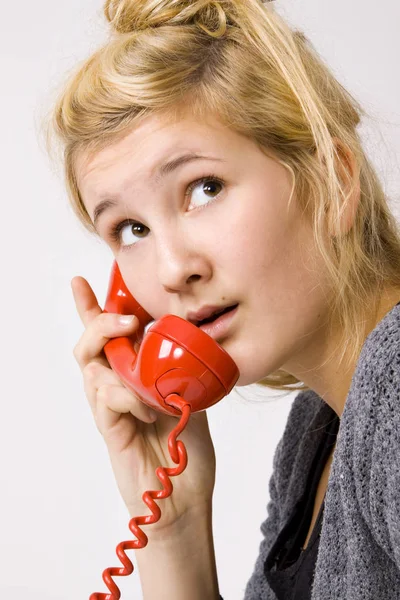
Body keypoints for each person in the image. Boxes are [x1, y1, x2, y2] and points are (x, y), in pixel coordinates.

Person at [45, 0, 400, 598]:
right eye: (131, 229)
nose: (173, 269)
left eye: (203, 189)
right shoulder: (316, 433)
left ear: (335, 183)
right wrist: (172, 525)